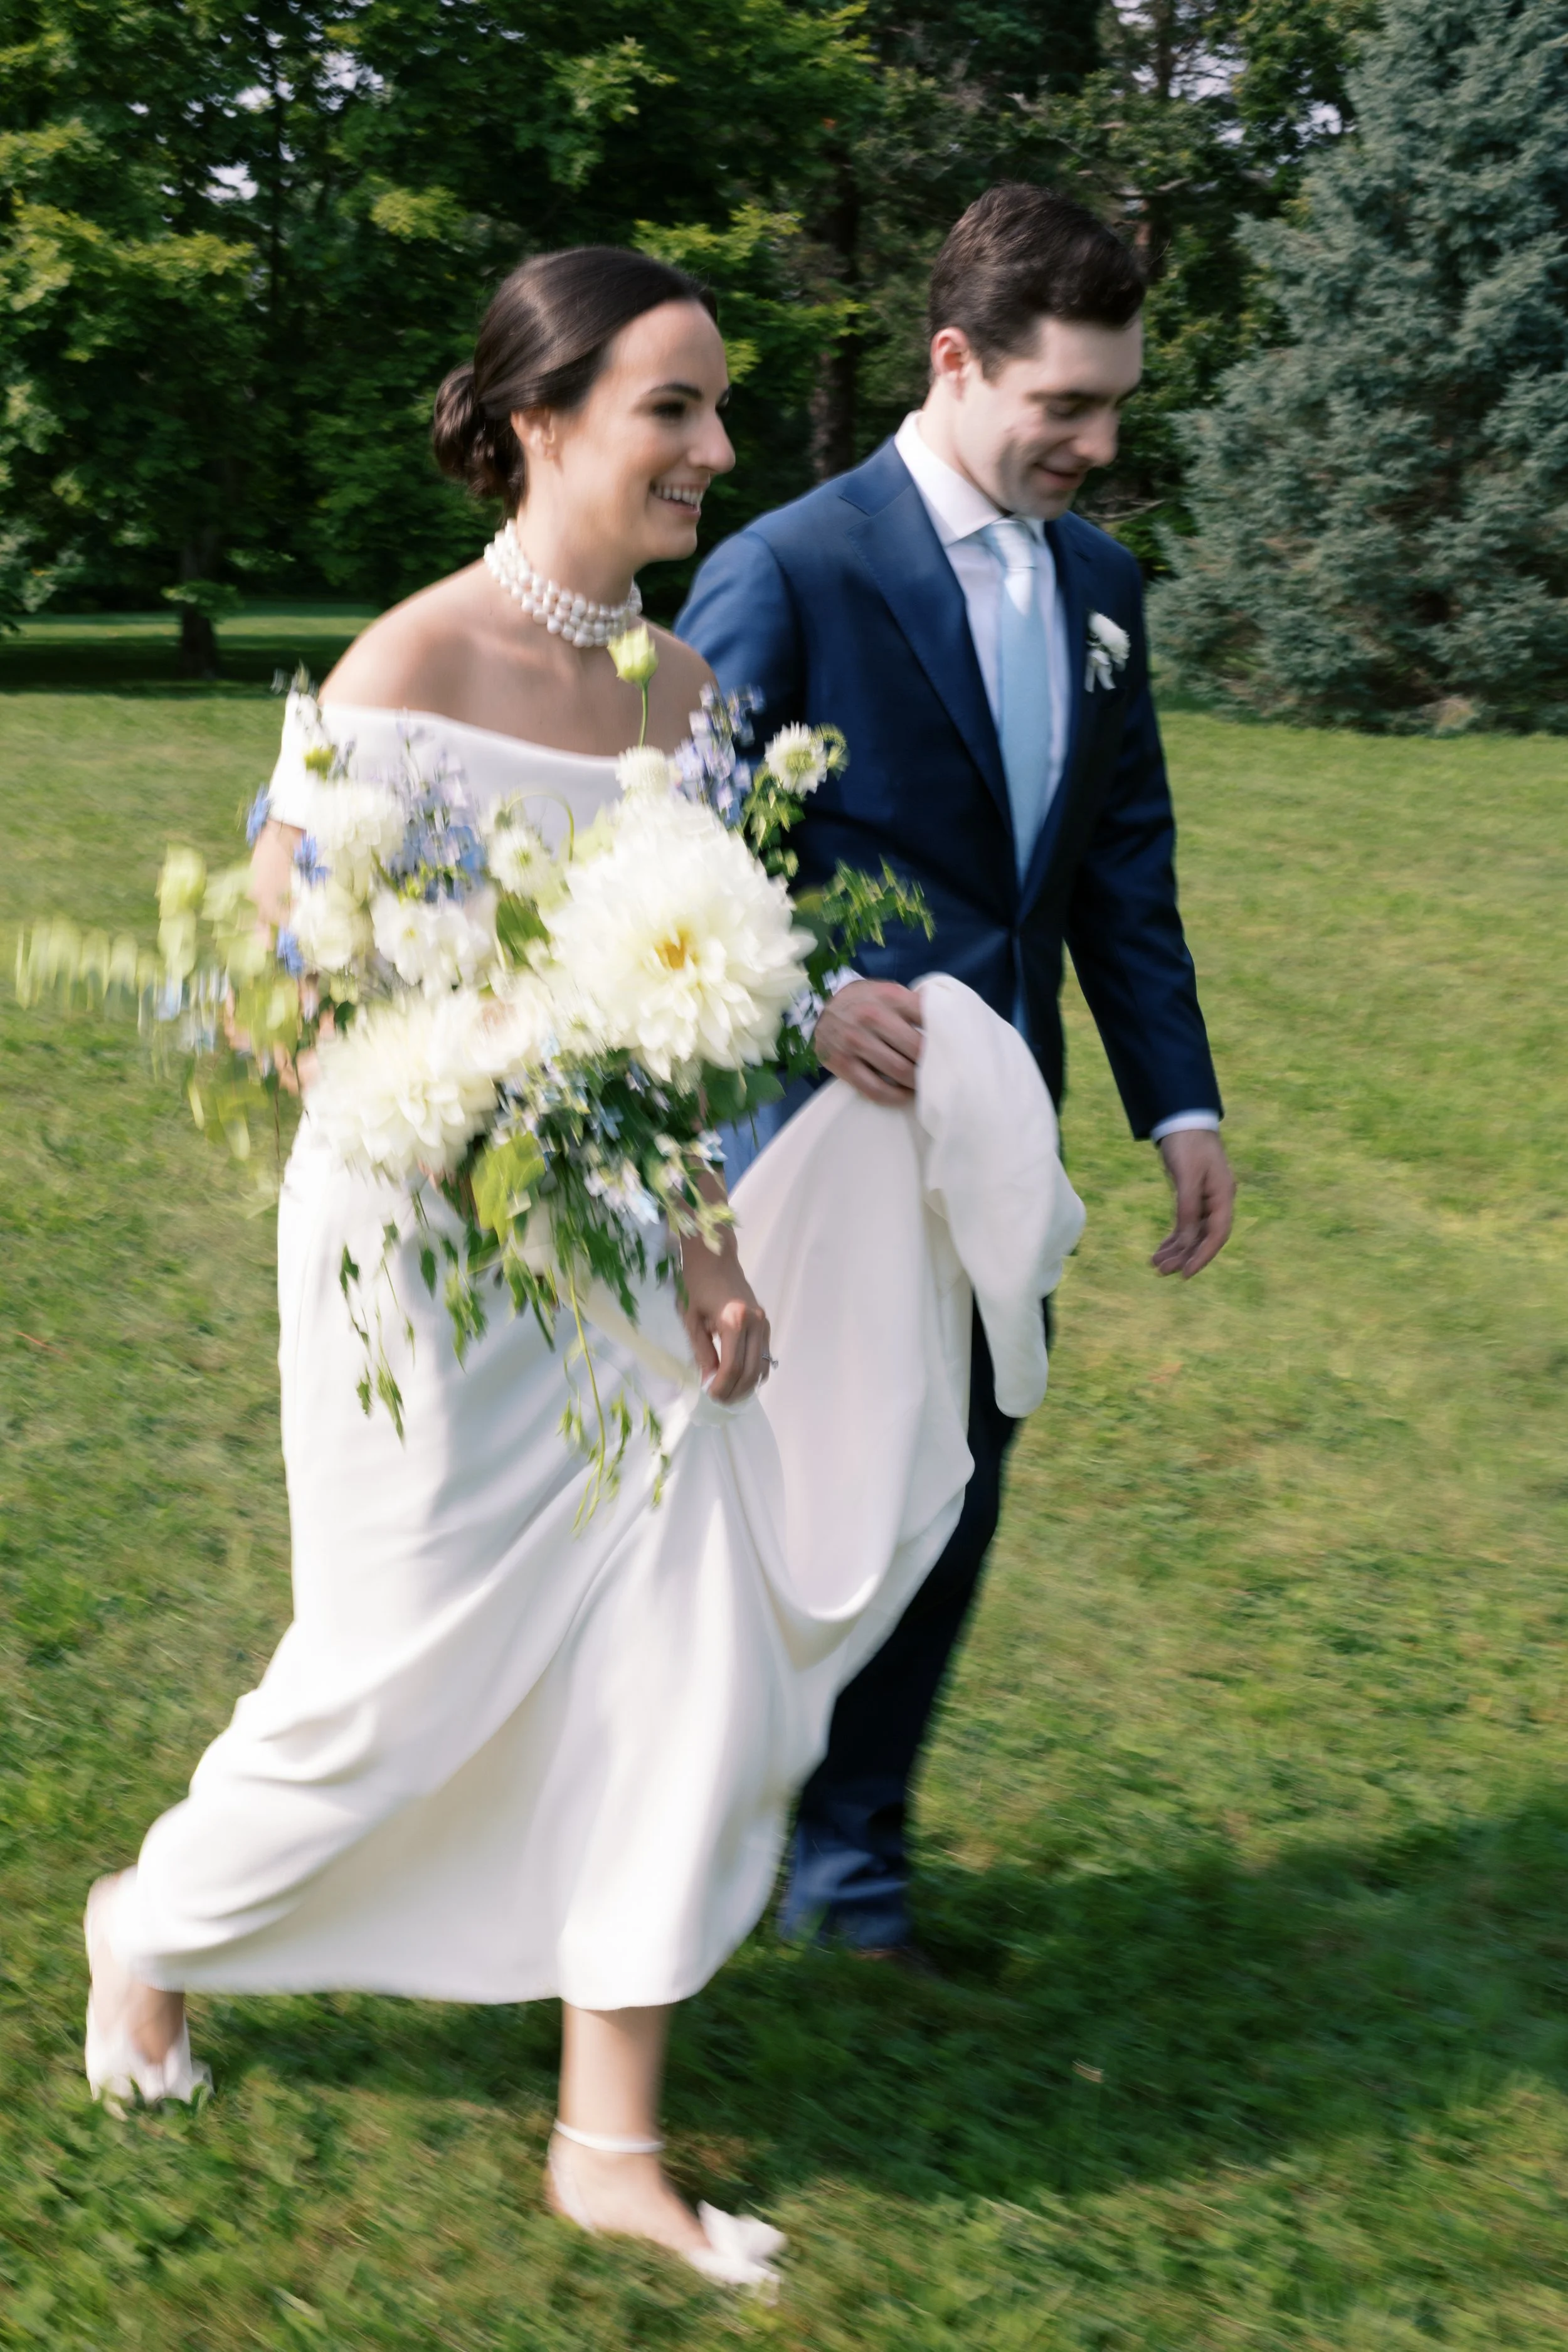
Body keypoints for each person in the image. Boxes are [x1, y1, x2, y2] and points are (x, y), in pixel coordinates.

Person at [80, 245, 1085, 2292]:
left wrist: (723, 1208)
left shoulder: (682, 694)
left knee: (669, 1658)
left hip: (620, 1239)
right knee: (389, 1671)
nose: (713, 447)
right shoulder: (405, 667)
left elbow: (675, 1008)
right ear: (539, 420)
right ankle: (155, 1927)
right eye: (671, 407)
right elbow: (285, 1000)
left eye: (717, 409)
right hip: (420, 1247)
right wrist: (483, 1087)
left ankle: (605, 2139)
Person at [677, 183, 1236, 1964]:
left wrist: (1178, 1103)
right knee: (787, 1502)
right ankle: (676, 1840)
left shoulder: (1104, 588)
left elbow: (1117, 869)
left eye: (1116, 406)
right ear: (954, 361)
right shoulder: (794, 564)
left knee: (954, 1486)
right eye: (1065, 405)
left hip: (1000, 1149)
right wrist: (809, 998)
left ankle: (849, 1879)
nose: (1098, 446)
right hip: (815, 1143)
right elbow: (674, 850)